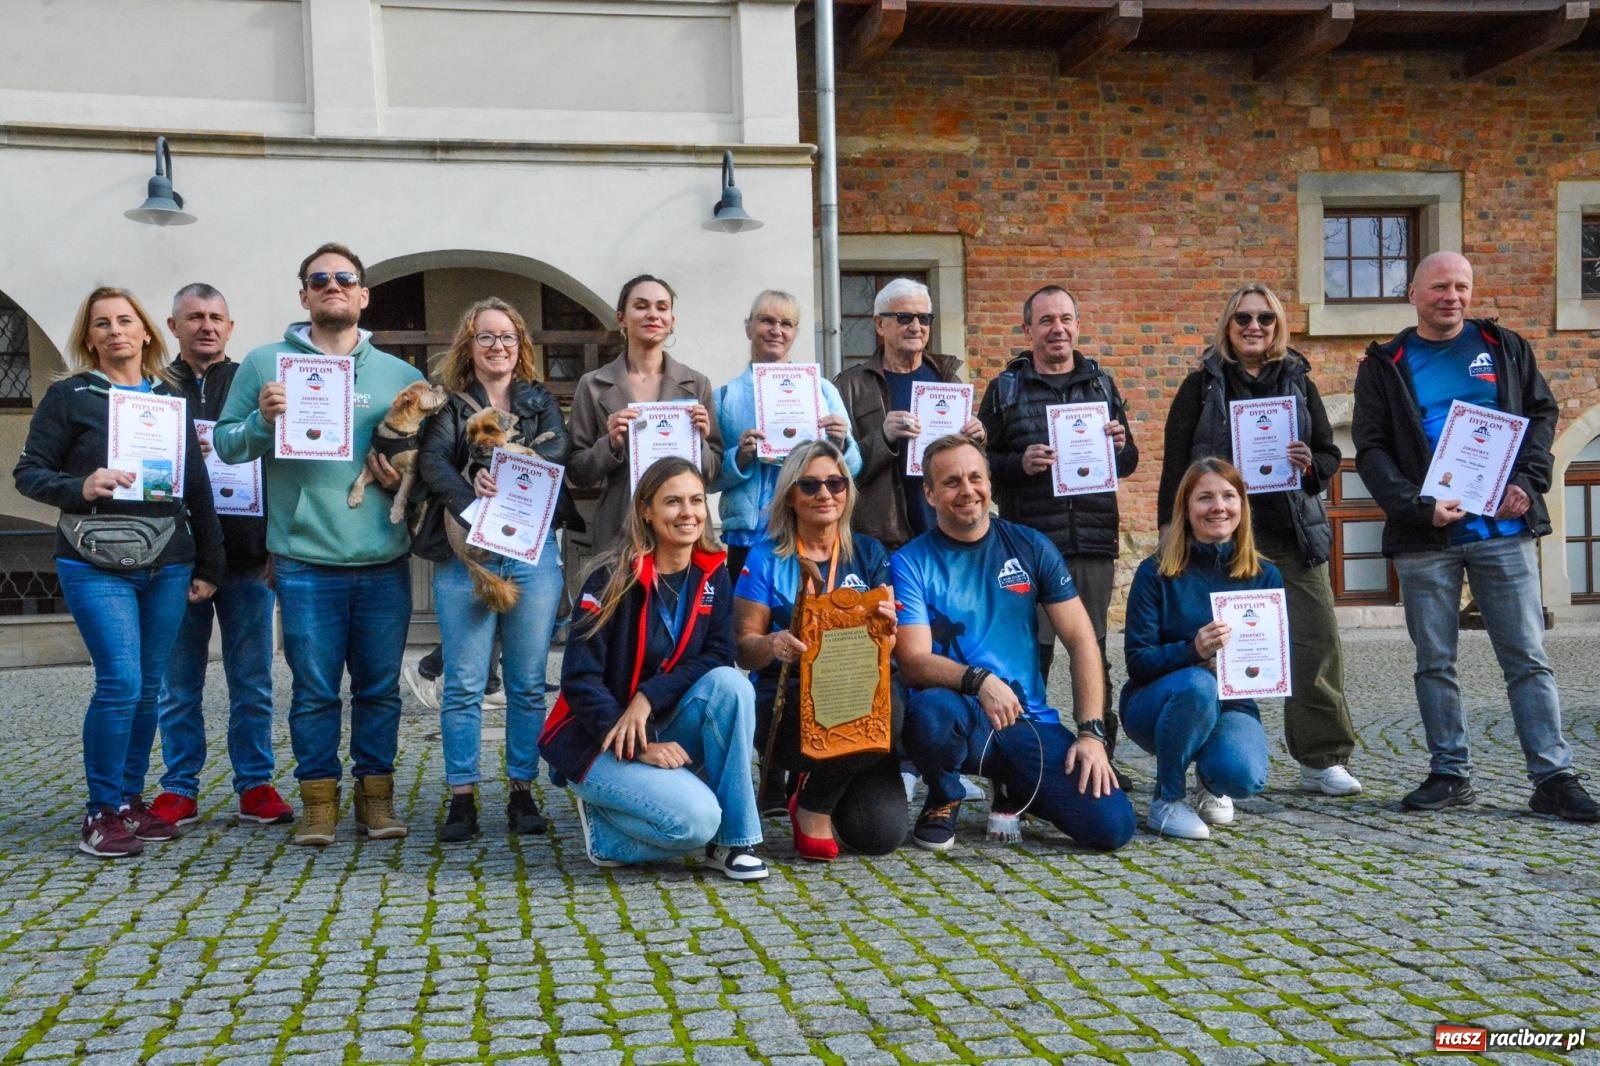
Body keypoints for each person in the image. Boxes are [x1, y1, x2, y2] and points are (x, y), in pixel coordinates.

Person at [1353, 250, 1597, 823]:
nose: (1452, 297)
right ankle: (1450, 773)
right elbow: (1370, 448)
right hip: (1426, 538)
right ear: (1412, 292)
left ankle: (1553, 776)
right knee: (1434, 662)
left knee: (1528, 658)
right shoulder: (1385, 362)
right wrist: (1418, 507)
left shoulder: (1503, 347)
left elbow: (1542, 413)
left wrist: (1528, 479)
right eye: (1440, 287)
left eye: (1461, 287)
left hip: (1503, 529)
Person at [214, 242, 425, 845]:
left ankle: (376, 799)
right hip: (306, 560)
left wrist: (398, 477)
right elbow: (226, 447)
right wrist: (261, 421)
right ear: (303, 294)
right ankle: (318, 801)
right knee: (312, 691)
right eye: (319, 279)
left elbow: (425, 465)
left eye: (345, 278)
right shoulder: (263, 364)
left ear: (362, 295)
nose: (332, 286)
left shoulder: (401, 375)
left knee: (380, 690)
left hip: (383, 558)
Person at [14, 287, 223, 857]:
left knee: (149, 689)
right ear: (89, 337)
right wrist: (78, 486)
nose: (115, 332)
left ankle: (130, 802)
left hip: (168, 560)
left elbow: (195, 484)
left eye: (125, 320)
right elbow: (29, 473)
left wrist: (209, 562)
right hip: (93, 560)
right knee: (120, 683)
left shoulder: (168, 396)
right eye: (101, 324)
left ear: (147, 332)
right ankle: (100, 811)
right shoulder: (69, 396)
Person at [1156, 283, 1362, 799]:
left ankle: (1320, 758)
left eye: (1265, 319)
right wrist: (1169, 534)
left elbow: (1328, 455)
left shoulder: (1298, 381)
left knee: (1315, 644)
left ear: (1278, 326)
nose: (1254, 327)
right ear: (1228, 325)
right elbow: (1175, 467)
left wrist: (1310, 464)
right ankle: (1216, 768)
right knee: (1218, 650)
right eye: (1243, 318)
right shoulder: (1200, 386)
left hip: (1292, 535)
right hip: (1222, 542)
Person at [893, 436, 1136, 853]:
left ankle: (1016, 786)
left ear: (990, 483)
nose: (967, 491)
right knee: (930, 710)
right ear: (930, 495)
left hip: (1026, 720)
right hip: (957, 715)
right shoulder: (910, 561)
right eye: (951, 482)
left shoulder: (1030, 546)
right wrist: (978, 679)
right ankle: (943, 791)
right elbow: (913, 661)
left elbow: (1081, 640)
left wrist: (1092, 734)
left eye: (975, 478)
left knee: (1111, 827)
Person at [539, 458, 767, 879]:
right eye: (673, 502)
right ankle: (607, 830)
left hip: (659, 720)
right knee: (696, 822)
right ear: (646, 510)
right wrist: (640, 746)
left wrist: (649, 697)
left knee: (732, 686)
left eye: (697, 501)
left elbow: (718, 654)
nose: (688, 513)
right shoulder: (610, 578)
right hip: (597, 738)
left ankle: (734, 843)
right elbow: (579, 679)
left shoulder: (713, 574)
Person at [412, 297, 569, 842]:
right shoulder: (451, 406)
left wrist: (521, 463)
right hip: (468, 556)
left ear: (520, 345)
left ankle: (522, 793)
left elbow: (560, 448)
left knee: (527, 684)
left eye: (507, 337)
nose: (497, 346)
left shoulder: (538, 399)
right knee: (463, 683)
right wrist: (470, 492)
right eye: (486, 337)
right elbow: (432, 461)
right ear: (470, 346)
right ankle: (461, 798)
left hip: (530, 554)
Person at [147, 284, 292, 830]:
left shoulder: (252, 383)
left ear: (230, 328)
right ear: (173, 325)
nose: (206, 326)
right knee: (178, 681)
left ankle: (255, 784)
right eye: (194, 317)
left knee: (252, 679)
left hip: (248, 557)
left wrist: (278, 542)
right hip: (177, 557)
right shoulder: (155, 390)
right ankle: (179, 787)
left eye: (216, 318)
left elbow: (283, 465)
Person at [977, 285, 1138, 776]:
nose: (1057, 329)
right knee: (1032, 655)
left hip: (1090, 540)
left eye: (1065, 319)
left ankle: (1100, 757)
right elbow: (979, 466)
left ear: (1077, 325)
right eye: (1046, 320)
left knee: (1094, 652)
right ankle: (1028, 761)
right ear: (1028, 330)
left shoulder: (1101, 384)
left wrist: (1120, 442)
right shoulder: (1005, 388)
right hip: (1028, 543)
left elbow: (1128, 463)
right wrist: (1019, 462)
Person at [733, 441, 904, 861]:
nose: (824, 494)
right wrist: (772, 644)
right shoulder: (765, 558)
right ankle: (813, 804)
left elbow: (892, 642)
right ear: (790, 495)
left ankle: (813, 795)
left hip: (860, 694)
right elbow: (743, 650)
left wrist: (888, 630)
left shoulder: (869, 553)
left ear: (848, 491)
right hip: (789, 695)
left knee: (877, 835)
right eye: (809, 485)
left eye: (835, 483)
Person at [1123, 459, 1279, 840]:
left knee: (1243, 777)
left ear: (1242, 505)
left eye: (1229, 496)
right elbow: (1138, 661)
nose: (1218, 507)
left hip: (1232, 702)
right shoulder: (1155, 572)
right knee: (1197, 685)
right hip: (1156, 702)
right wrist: (1192, 650)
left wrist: (1266, 662)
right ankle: (1168, 800)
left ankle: (1211, 782)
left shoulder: (1265, 575)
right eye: (1205, 497)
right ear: (1186, 508)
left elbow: (1273, 656)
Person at [567, 275, 722, 556]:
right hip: (620, 529)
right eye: (641, 306)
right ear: (621, 318)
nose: (653, 314)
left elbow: (712, 474)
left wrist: (699, 442)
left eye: (662, 307)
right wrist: (610, 444)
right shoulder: (592, 385)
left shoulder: (696, 384)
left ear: (672, 320)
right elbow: (578, 472)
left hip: (684, 531)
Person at [715, 289, 861, 579]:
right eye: (766, 321)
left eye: (786, 324)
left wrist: (839, 443)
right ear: (749, 327)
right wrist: (741, 457)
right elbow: (710, 476)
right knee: (749, 621)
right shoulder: (725, 397)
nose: (776, 330)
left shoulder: (822, 391)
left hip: (811, 528)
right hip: (750, 533)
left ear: (795, 332)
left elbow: (853, 467)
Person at [832, 278, 985, 552]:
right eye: (904, 318)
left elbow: (971, 466)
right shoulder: (850, 386)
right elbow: (835, 470)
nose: (916, 327)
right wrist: (883, 438)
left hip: (945, 531)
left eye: (924, 318)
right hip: (880, 539)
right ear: (880, 324)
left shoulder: (949, 381)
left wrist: (977, 439)